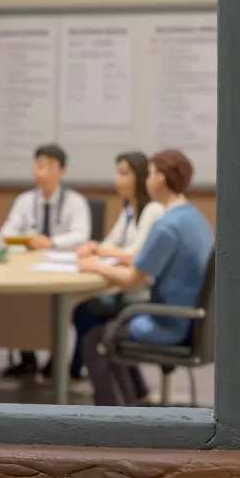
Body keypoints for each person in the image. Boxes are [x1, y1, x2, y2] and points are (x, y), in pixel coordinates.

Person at [78, 149, 213, 406]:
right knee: (108, 330)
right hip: (194, 321)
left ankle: (114, 417)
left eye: (149, 174)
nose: (147, 180)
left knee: (95, 340)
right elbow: (143, 260)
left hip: (169, 323)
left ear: (160, 178)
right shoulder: (192, 217)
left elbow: (132, 279)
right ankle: (133, 403)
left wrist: (96, 265)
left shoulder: (166, 226)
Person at [68, 152, 166, 384]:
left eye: (124, 173)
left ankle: (73, 372)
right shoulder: (130, 210)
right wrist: (94, 247)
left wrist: (101, 253)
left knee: (86, 313)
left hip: (142, 294)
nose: (117, 180)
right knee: (84, 312)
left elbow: (136, 255)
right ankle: (78, 372)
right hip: (128, 289)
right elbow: (112, 243)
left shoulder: (153, 210)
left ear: (140, 178)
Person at [0, 143, 92, 377]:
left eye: (50, 165)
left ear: (62, 171)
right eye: (39, 164)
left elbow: (81, 235)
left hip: (62, 268)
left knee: (59, 309)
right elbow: (6, 233)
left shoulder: (75, 201)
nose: (43, 170)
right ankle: (26, 357)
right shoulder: (24, 200)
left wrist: (51, 242)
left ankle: (57, 361)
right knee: (19, 304)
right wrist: (27, 239)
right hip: (27, 268)